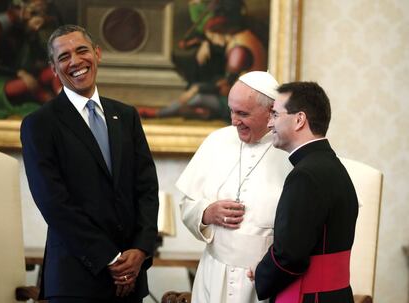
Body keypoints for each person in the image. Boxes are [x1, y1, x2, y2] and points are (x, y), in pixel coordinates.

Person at [20, 24, 159, 303]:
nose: (75, 61)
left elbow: (146, 189)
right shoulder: (40, 124)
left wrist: (140, 250)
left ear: (97, 54)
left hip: (130, 281)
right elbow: (54, 203)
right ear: (54, 68)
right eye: (64, 57)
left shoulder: (126, 115)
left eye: (81, 50)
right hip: (76, 280)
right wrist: (109, 258)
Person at [177, 71, 292, 303]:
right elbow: (186, 205)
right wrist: (206, 213)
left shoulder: (290, 150)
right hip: (213, 274)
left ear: (270, 112)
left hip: (264, 281)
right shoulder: (217, 141)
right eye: (231, 110)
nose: (233, 120)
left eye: (242, 113)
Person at [252, 82, 359, 302]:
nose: (269, 123)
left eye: (274, 114)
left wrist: (261, 273)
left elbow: (290, 256)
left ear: (299, 119)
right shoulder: (330, 164)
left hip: (310, 296)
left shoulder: (306, 175)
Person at [140, 15, 266, 122]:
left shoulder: (238, 51)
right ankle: (199, 112)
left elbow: (227, 85)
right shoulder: (243, 39)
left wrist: (196, 89)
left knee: (198, 98)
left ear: (220, 33)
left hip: (243, 104)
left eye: (212, 37)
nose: (213, 41)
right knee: (194, 103)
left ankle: (158, 114)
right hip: (241, 99)